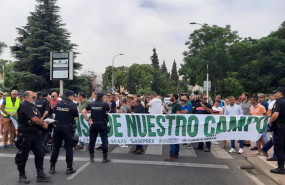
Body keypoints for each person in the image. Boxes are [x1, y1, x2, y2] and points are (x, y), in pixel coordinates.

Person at [15, 91, 51, 183]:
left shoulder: (32, 106)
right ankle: (22, 175)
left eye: (35, 97)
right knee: (23, 155)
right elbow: (34, 119)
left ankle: (40, 174)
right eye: (33, 97)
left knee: (40, 153)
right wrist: (43, 124)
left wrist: (42, 123)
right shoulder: (25, 105)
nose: (35, 98)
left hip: (35, 134)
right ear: (26, 97)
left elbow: (37, 118)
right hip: (25, 135)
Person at [49, 90, 79, 175]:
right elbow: (75, 117)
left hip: (57, 128)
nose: (73, 97)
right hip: (68, 129)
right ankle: (69, 168)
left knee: (56, 147)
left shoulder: (58, 103)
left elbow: (54, 112)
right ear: (70, 96)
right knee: (69, 148)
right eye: (73, 96)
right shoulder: (73, 105)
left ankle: (52, 167)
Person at [82, 92, 111, 163]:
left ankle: (91, 158)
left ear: (96, 96)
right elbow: (108, 110)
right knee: (104, 140)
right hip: (102, 124)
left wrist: (88, 120)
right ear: (102, 97)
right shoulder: (104, 104)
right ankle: (105, 157)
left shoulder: (91, 103)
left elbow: (83, 112)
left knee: (92, 141)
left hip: (93, 124)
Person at [269, 87, 285, 174]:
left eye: (276, 93)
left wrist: (270, 122)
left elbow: (275, 115)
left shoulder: (278, 102)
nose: (275, 94)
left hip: (280, 128)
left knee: (279, 147)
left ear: (280, 93)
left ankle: (281, 167)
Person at [165, 93, 182, 161]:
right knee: (175, 139)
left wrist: (168, 114)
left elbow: (178, 114)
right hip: (172, 123)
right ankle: (176, 153)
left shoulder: (177, 105)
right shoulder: (173, 104)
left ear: (174, 97)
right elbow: (171, 112)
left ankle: (172, 154)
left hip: (175, 124)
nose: (170, 97)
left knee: (172, 139)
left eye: (171, 96)